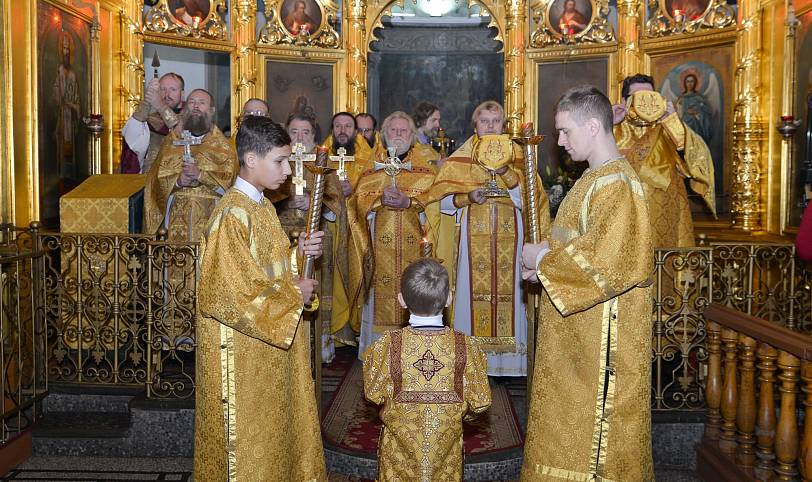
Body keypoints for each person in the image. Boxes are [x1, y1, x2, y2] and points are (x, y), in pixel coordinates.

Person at [520, 85, 653, 481]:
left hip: (602, 339)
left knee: (596, 433)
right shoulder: (592, 179)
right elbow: (578, 241)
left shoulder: (618, 185)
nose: (560, 141)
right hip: (579, 331)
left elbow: (607, 262)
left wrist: (543, 260)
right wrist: (544, 261)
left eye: (565, 131)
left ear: (593, 126)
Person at [194, 115, 327, 481]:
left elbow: (269, 270)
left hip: (267, 348)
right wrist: (292, 293)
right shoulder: (232, 215)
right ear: (251, 159)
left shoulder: (263, 207)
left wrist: (299, 255)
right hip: (241, 355)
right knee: (247, 444)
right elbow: (226, 294)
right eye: (280, 161)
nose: (287, 170)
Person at [417, 101, 550, 377]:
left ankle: (511, 366)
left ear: (504, 126)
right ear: (475, 125)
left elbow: (533, 203)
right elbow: (437, 204)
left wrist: (506, 173)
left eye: (496, 121)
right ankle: (472, 364)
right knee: (469, 294)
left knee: (513, 294)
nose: (490, 126)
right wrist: (467, 197)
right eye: (484, 121)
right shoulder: (461, 158)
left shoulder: (518, 158)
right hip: (470, 242)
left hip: (512, 240)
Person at [363, 258, 491, 482]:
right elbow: (480, 401)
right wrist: (460, 416)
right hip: (446, 451)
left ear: (401, 300)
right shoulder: (466, 346)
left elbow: (373, 393)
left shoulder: (388, 344)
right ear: (449, 298)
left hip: (398, 453)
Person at [349, 111, 439, 358]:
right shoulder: (372, 172)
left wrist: (409, 203)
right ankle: (376, 353)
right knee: (379, 294)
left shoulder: (425, 172)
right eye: (393, 130)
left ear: (412, 137)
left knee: (415, 289)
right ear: (383, 135)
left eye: (404, 131)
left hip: (414, 251)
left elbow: (434, 209)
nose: (398, 135)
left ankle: (414, 351)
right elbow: (356, 206)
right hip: (379, 253)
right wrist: (377, 202)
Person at [275, 113, 351, 363]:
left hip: (317, 241)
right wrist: (285, 199)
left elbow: (337, 202)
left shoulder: (322, 164)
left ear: (313, 136)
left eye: (305, 132)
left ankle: (318, 345)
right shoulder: (277, 162)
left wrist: (312, 201)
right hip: (282, 240)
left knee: (316, 290)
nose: (299, 137)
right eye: (294, 131)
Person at [614, 73, 715, 248]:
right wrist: (609, 123)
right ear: (624, 100)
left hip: (664, 212)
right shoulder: (613, 129)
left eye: (651, 97)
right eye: (637, 97)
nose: (645, 103)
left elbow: (695, 158)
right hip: (624, 213)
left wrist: (672, 120)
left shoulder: (668, 126)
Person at [143, 88, 238, 243]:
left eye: (202, 103)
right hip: (175, 217)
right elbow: (154, 183)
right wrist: (178, 181)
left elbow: (231, 187)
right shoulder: (171, 142)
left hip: (211, 219)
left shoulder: (224, 148)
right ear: (185, 109)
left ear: (212, 110)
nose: (196, 106)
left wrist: (200, 175)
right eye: (192, 102)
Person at [120, 73, 185, 174]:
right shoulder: (151, 120)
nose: (167, 94)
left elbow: (181, 133)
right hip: (149, 180)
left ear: (182, 93)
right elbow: (131, 140)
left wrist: (160, 105)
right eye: (162, 89)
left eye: (173, 89)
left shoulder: (192, 118)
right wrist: (147, 102)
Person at [323, 111, 379, 197]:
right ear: (332, 131)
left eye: (348, 126)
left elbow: (374, 185)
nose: (342, 131)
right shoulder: (323, 154)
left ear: (355, 131)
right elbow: (314, 184)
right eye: (338, 126)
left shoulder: (367, 156)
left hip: (356, 208)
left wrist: (353, 189)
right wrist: (331, 189)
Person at [53, 32, 81, 180]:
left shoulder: (73, 75)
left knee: (70, 149)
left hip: (70, 117)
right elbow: (55, 94)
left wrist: (73, 106)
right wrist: (60, 101)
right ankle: (61, 175)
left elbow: (76, 99)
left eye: (68, 48)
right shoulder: (58, 71)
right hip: (62, 116)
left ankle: (69, 176)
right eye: (63, 48)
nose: (66, 52)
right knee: (61, 147)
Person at [676, 71, 712, 144]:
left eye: (692, 81)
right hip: (685, 125)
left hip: (696, 125)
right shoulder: (681, 98)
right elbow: (678, 115)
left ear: (695, 83)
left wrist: (697, 113)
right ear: (685, 83)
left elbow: (706, 112)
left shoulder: (699, 98)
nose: (689, 84)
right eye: (688, 81)